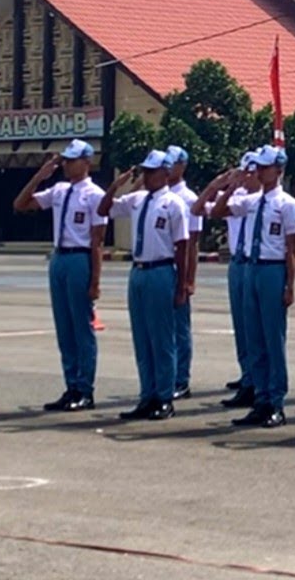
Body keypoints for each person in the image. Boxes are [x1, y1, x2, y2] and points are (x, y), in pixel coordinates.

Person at [211, 145, 295, 428]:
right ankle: (261, 398)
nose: (260, 172)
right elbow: (218, 211)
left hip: (272, 270)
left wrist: (290, 285)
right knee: (254, 338)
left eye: (265, 168)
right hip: (251, 269)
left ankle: (276, 401)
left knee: (273, 339)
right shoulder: (251, 202)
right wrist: (231, 185)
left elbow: (292, 249)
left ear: (279, 170)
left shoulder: (287, 204)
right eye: (258, 168)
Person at [12, 139, 107, 412]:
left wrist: (95, 281)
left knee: (81, 328)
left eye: (72, 160)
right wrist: (39, 176)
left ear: (87, 162)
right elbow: (21, 204)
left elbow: (97, 241)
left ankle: (84, 389)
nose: (66, 164)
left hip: (80, 258)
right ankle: (71, 385)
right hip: (59, 257)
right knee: (64, 328)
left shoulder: (95, 195)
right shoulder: (59, 190)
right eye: (64, 160)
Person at [99, 150, 190, 421]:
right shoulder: (137, 199)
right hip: (138, 271)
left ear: (165, 173)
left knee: (162, 339)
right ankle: (146, 395)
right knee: (142, 339)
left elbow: (183, 246)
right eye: (146, 171)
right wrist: (117, 185)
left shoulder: (174, 203)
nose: (148, 176)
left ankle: (164, 397)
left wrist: (182, 284)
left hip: (161, 269)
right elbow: (103, 209)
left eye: (152, 172)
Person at [191, 151, 259, 408]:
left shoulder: (262, 201)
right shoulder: (236, 197)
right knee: (241, 325)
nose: (248, 177)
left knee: (256, 327)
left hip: (255, 263)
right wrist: (219, 185)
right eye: (244, 172)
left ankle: (257, 379)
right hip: (237, 262)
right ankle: (247, 374)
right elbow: (198, 208)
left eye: (252, 172)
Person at [164, 145, 200, 400]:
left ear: (182, 166)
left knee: (179, 328)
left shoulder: (188, 199)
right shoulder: (157, 195)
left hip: (178, 267)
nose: (166, 169)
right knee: (162, 328)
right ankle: (166, 377)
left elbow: (193, 243)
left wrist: (188, 279)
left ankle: (181, 379)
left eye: (171, 164)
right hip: (160, 267)